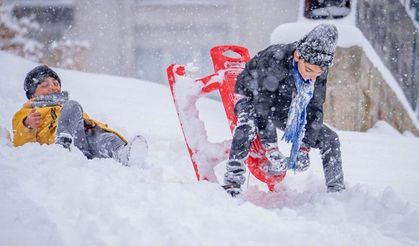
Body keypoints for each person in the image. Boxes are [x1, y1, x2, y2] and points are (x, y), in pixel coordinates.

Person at [223, 24, 345, 196]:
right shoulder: (275, 59)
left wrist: (305, 146)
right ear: (297, 56)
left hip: (284, 103)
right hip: (251, 95)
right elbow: (262, 105)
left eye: (317, 73)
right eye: (308, 70)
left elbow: (315, 108)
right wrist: (271, 148)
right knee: (248, 124)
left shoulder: (318, 69)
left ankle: (337, 193)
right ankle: (232, 183)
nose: (311, 77)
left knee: (330, 138)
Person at [12, 65, 148, 166]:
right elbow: (19, 141)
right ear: (32, 94)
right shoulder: (27, 112)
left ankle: (123, 154)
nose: (53, 87)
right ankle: (63, 145)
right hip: (62, 141)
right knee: (72, 105)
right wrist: (27, 125)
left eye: (56, 83)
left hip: (85, 138)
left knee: (106, 138)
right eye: (45, 85)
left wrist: (96, 128)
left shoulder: (64, 105)